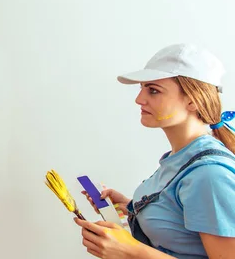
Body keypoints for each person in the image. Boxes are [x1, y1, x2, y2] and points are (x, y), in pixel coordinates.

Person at [74, 43, 235, 259]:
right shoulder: (180, 158)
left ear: (193, 101)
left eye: (153, 90)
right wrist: (130, 208)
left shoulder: (208, 174)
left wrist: (130, 252)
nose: (139, 99)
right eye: (141, 88)